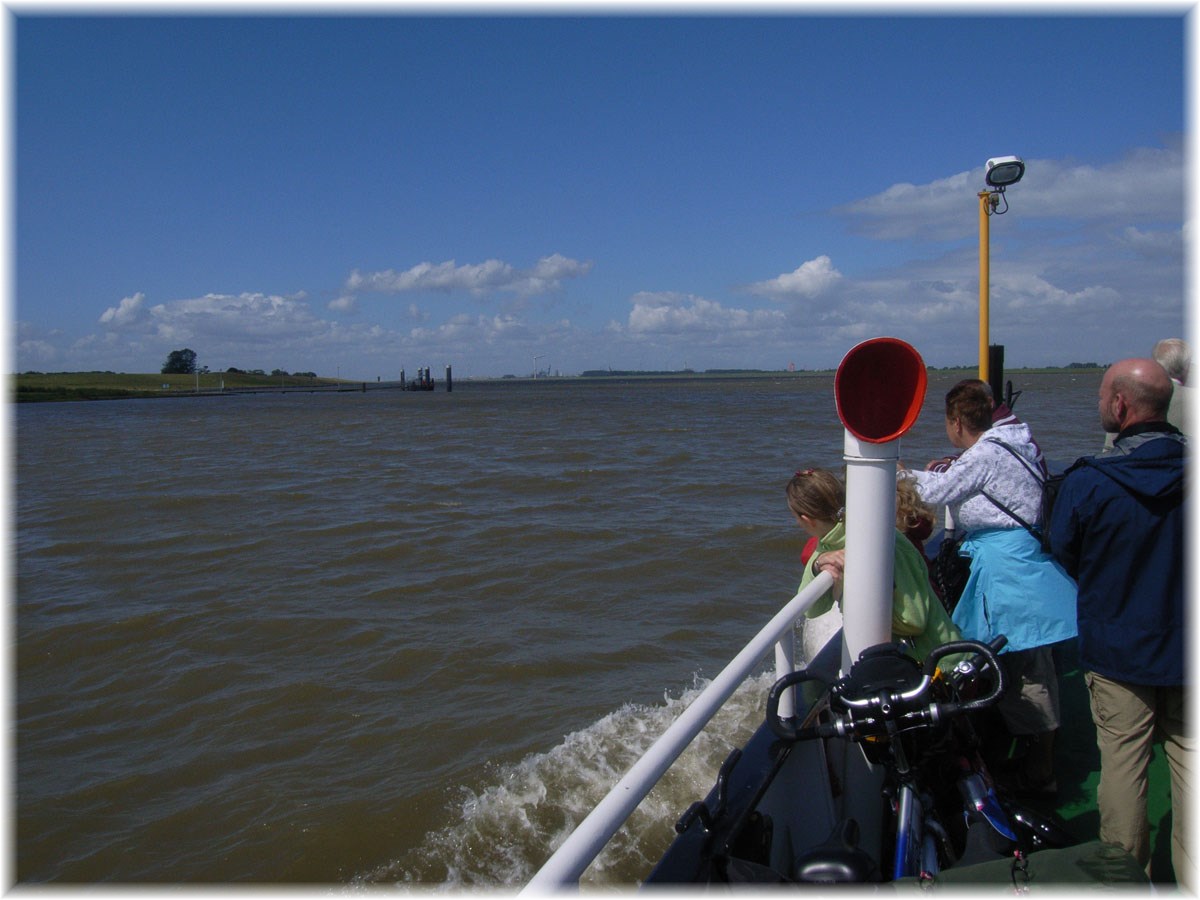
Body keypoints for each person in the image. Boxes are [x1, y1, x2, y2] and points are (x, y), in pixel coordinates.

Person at [1046, 358, 1190, 888]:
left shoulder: (1089, 482)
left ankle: (1127, 879)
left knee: (1124, 768)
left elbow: (1064, 550)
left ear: (1120, 406)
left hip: (1119, 648)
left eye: (1102, 395)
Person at [903, 379, 1078, 794]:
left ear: (957, 420)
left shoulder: (986, 453)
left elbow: (935, 491)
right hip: (1018, 559)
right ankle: (1034, 759)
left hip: (1006, 570)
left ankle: (1041, 772)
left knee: (1024, 666)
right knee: (1022, 661)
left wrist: (891, 471)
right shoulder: (1011, 442)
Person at [787, 467, 960, 665]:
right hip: (908, 663)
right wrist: (817, 566)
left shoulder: (883, 542)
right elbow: (811, 609)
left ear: (805, 520)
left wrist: (844, 595)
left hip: (940, 665)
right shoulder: (828, 544)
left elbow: (914, 621)